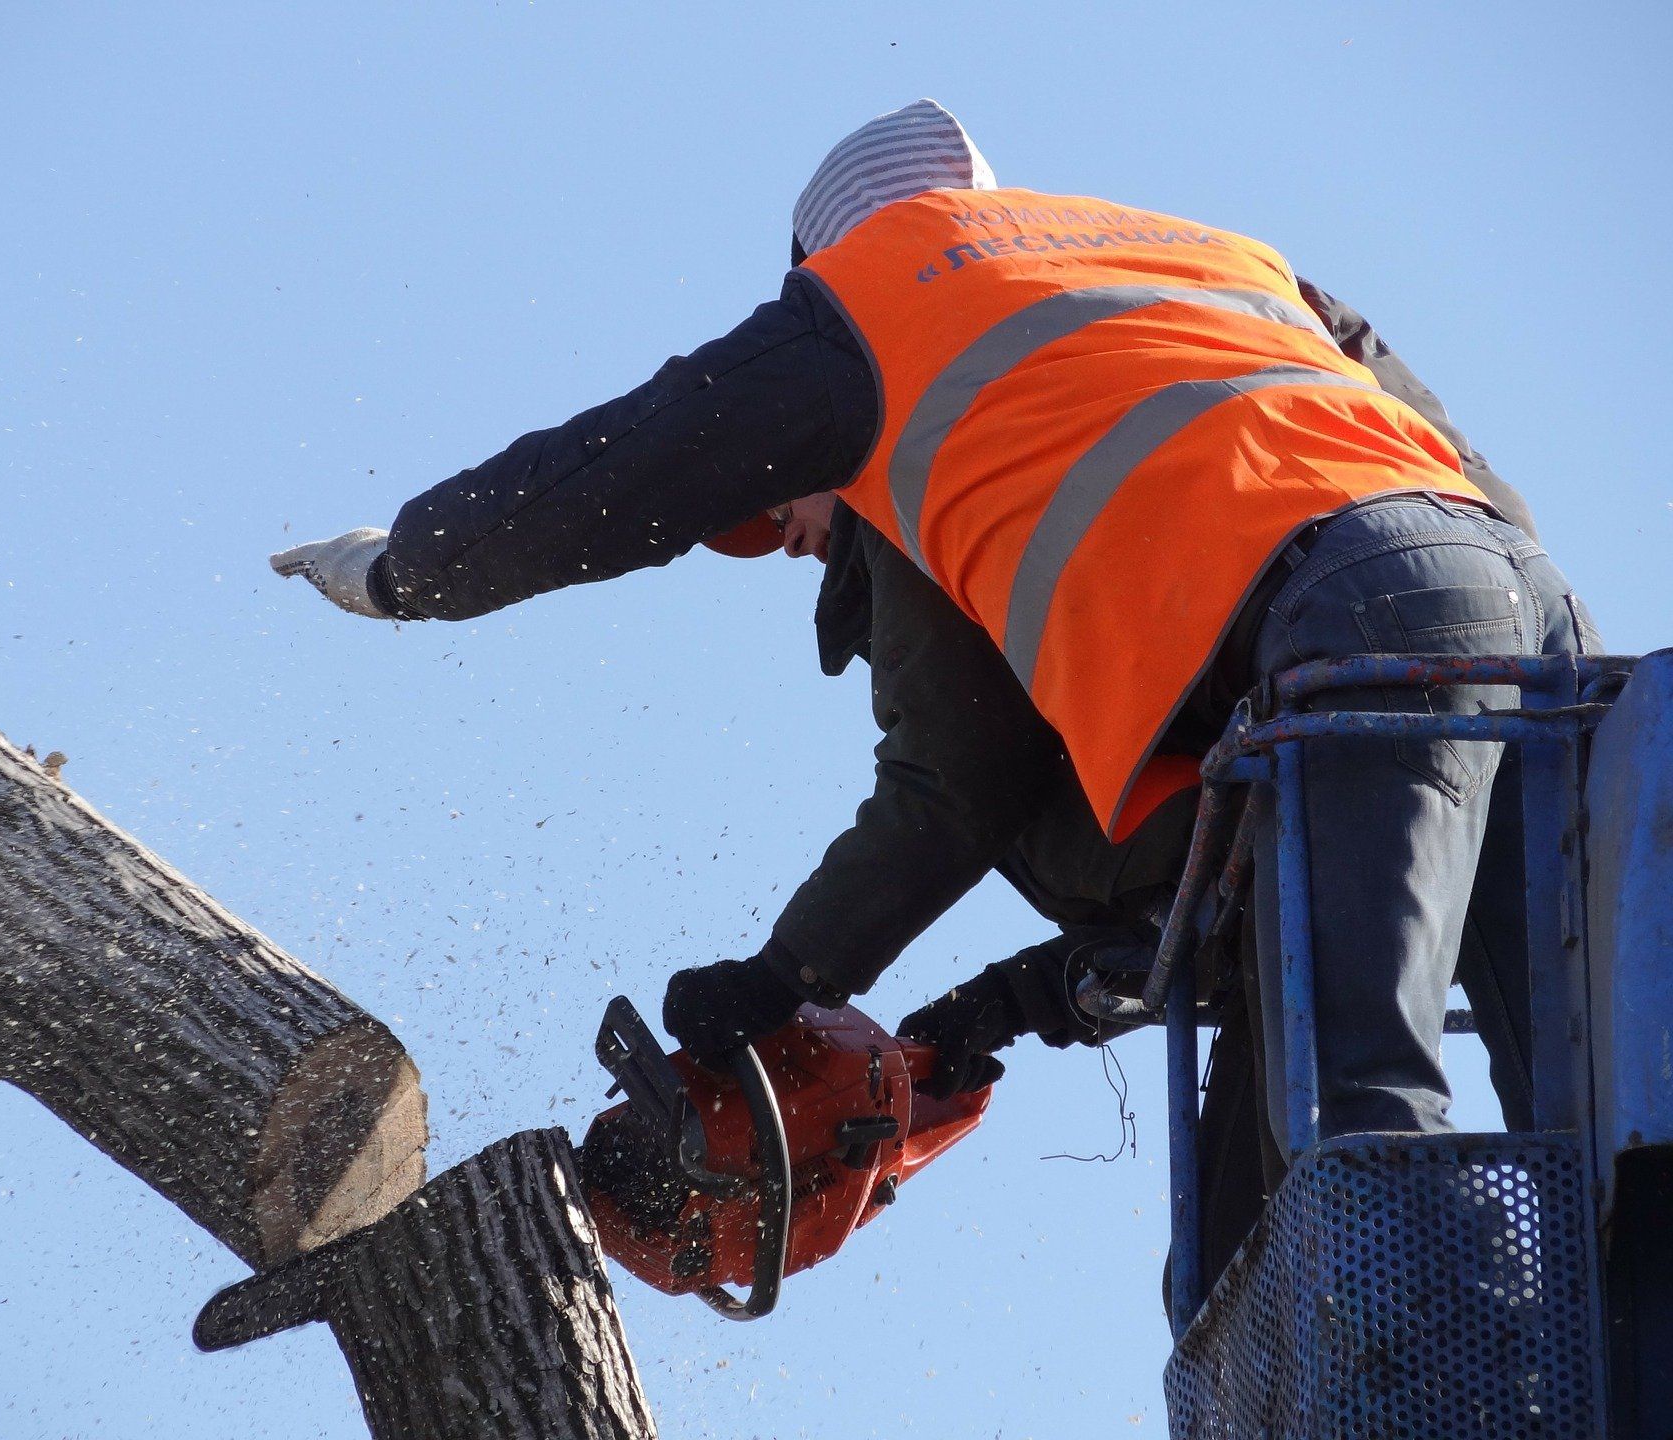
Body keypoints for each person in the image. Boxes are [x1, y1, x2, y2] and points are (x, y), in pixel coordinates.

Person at [272, 100, 1595, 1147]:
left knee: (1355, 1116)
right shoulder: (1199, 262)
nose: (782, 537)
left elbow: (623, 476)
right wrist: (1008, 1003)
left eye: (774, 506)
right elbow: (1487, 506)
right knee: (1591, 1125)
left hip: (1348, 635)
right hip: (1525, 630)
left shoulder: (874, 317)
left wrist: (410, 570)